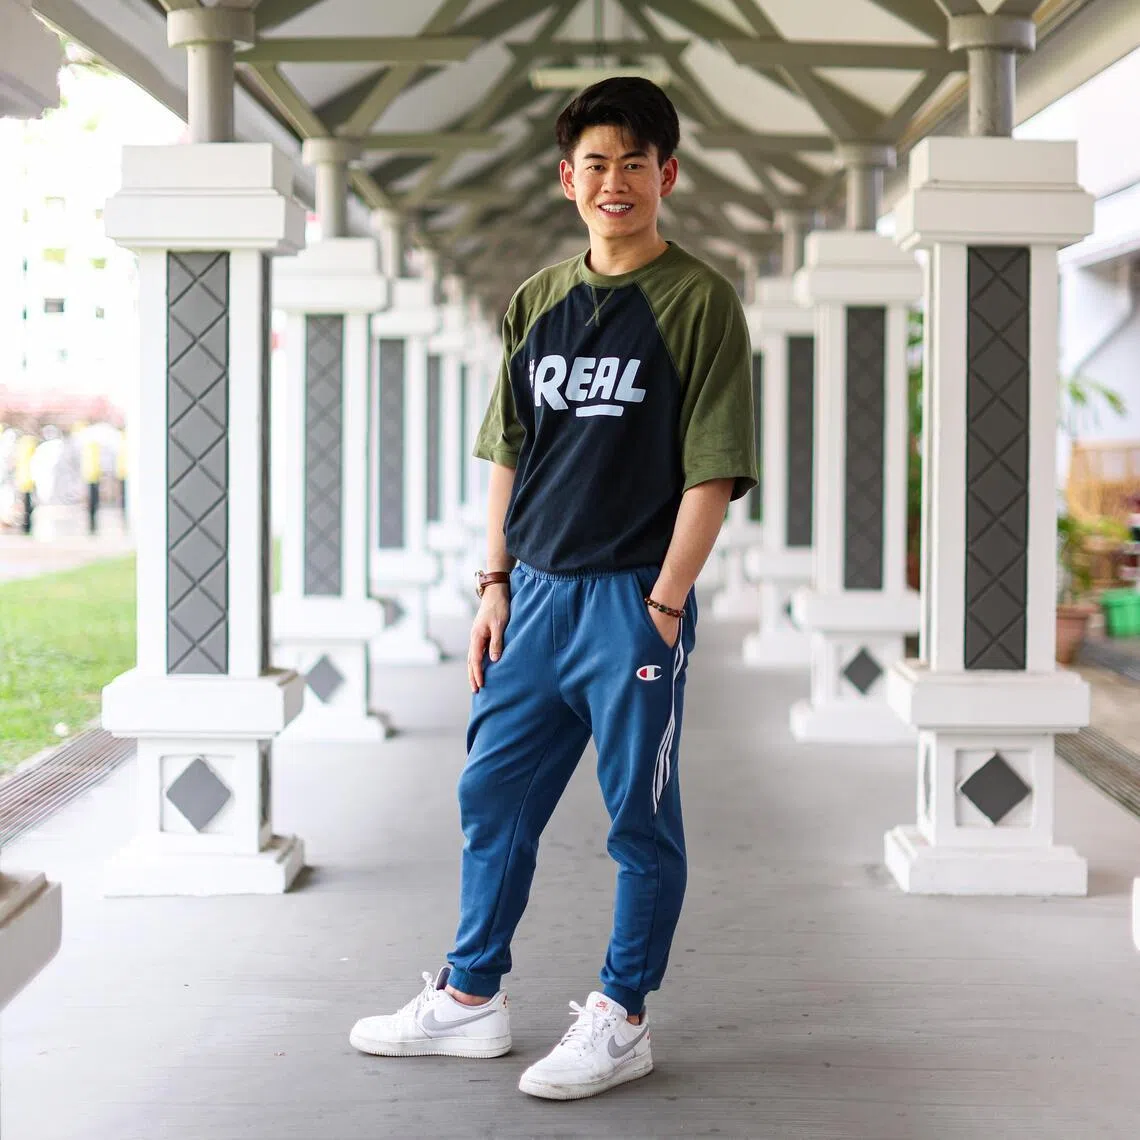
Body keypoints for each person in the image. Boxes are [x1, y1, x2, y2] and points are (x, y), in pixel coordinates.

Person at [350, 77, 757, 1102]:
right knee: (491, 796)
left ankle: (622, 1016)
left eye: (633, 162)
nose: (613, 180)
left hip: (632, 603)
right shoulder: (537, 300)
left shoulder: (698, 300)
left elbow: (713, 469)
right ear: (565, 179)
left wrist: (665, 603)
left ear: (667, 174)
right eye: (594, 163)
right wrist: (493, 583)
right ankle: (470, 999)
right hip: (531, 598)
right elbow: (508, 453)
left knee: (638, 820)